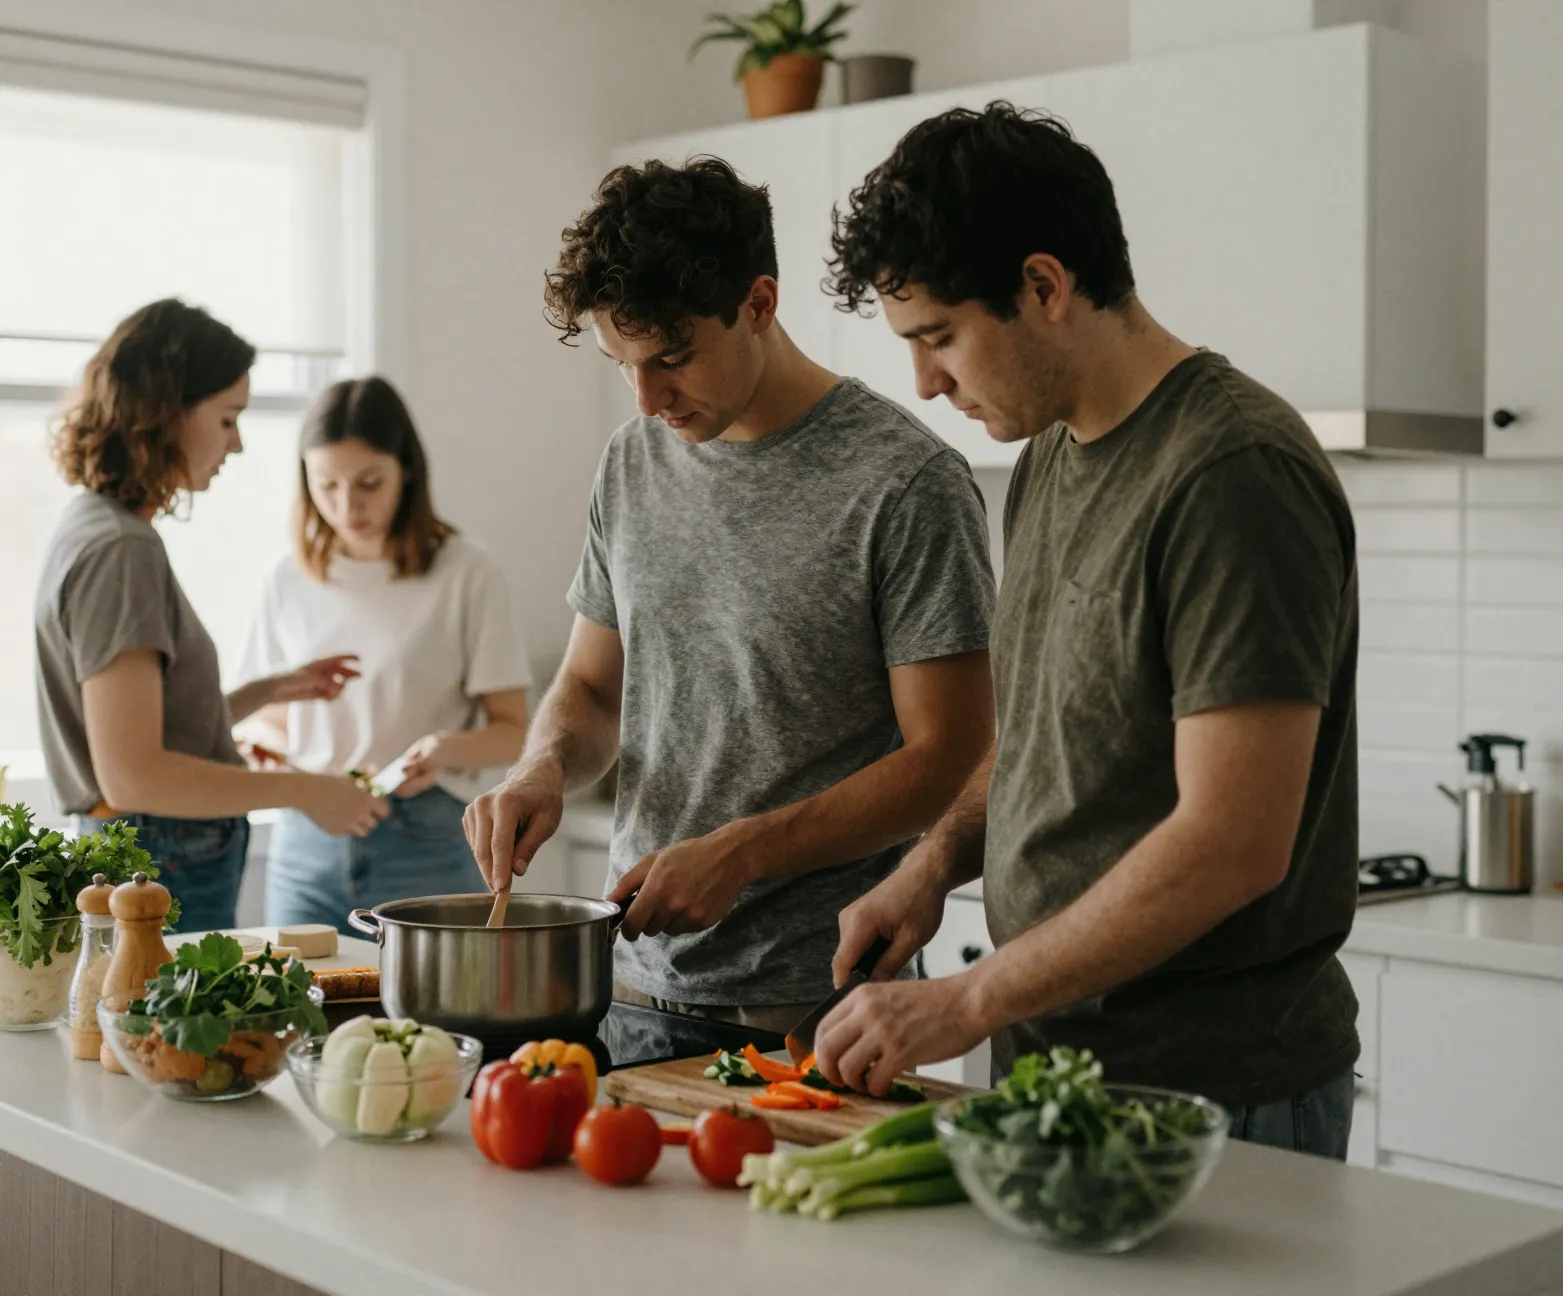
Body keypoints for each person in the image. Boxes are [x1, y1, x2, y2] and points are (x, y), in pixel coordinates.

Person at [814, 104, 1361, 1160]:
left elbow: (1234, 845)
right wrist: (933, 866)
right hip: (1055, 1064)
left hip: (1211, 1101)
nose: (925, 381)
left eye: (938, 337)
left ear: (1045, 287)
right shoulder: (1049, 459)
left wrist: (962, 1002)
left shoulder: (1231, 473)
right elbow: (1043, 734)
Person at [466, 157, 997, 1032]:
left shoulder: (905, 483)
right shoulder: (630, 464)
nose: (645, 399)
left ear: (759, 303)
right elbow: (596, 688)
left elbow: (947, 754)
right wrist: (543, 765)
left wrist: (741, 855)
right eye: (622, 363)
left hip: (813, 995)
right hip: (627, 979)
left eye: (671, 357)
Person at [35, 299, 388, 932]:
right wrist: (306, 791)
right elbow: (135, 773)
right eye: (227, 418)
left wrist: (267, 691)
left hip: (155, 849)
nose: (238, 442)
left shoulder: (94, 526)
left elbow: (142, 736)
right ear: (165, 415)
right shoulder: (121, 550)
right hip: (163, 857)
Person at [238, 377, 532, 927]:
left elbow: (514, 730)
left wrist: (444, 749)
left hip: (424, 837)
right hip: (306, 841)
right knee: (299, 1007)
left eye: (368, 483)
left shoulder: (467, 572)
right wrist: (261, 744)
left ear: (406, 472)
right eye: (327, 486)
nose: (348, 506)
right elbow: (274, 721)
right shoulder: (288, 577)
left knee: (442, 1011)